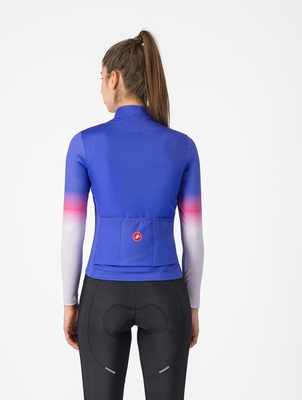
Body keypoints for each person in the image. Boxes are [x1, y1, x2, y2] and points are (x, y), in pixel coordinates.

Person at [61, 29, 204, 400]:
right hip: (167, 295)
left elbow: (73, 233)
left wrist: (70, 302)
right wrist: (192, 306)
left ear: (114, 78)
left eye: (101, 78)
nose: (101, 88)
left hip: (102, 295)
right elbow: (193, 238)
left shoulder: (84, 144)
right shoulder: (183, 147)